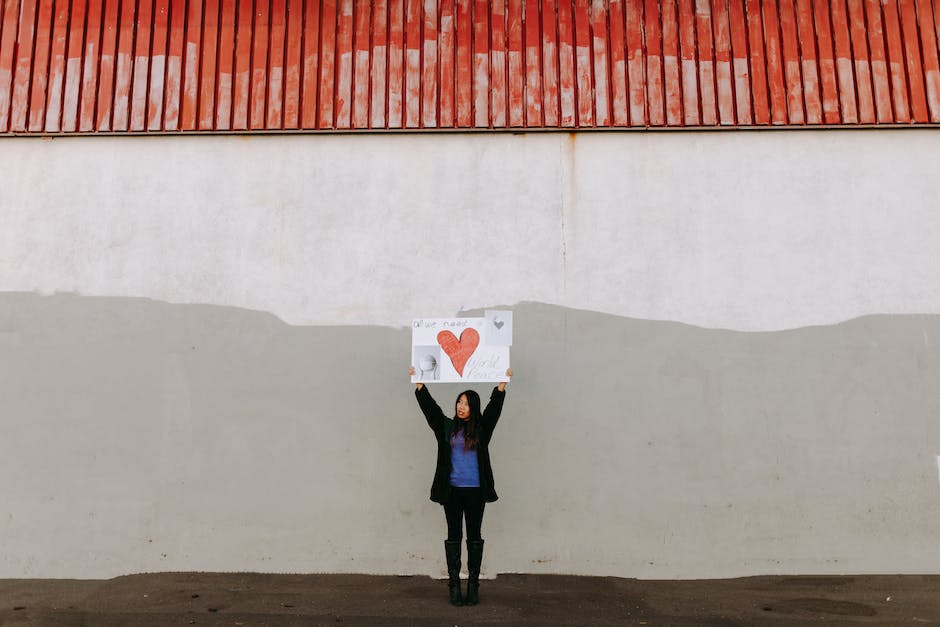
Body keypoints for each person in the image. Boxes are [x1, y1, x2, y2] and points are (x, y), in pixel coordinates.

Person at [408, 366, 512, 606]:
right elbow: (432, 412)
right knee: (453, 536)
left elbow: (493, 411)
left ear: (472, 407)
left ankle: (473, 585)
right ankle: (454, 585)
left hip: (476, 492)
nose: (461, 406)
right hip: (451, 492)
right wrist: (420, 386)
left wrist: (501, 387)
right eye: (459, 402)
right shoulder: (446, 427)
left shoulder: (482, 429)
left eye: (466, 403)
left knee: (474, 537)